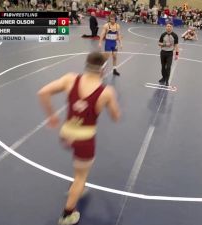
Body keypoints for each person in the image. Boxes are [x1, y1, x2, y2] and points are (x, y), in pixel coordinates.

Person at [37, 52, 121, 225]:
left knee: (78, 169)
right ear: (103, 70)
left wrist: (52, 116)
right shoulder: (106, 92)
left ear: (86, 65)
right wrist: (112, 106)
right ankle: (67, 214)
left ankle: (77, 186)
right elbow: (115, 117)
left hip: (67, 134)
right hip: (85, 139)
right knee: (81, 177)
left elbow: (43, 92)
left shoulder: (70, 79)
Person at [158, 22, 179, 86]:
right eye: (167, 26)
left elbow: (176, 45)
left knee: (168, 67)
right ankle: (163, 77)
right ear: (166, 27)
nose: (168, 27)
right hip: (163, 52)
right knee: (163, 66)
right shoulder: (163, 34)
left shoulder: (175, 35)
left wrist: (177, 54)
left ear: (172, 27)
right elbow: (159, 43)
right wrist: (165, 44)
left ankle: (167, 80)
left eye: (170, 26)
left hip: (170, 53)